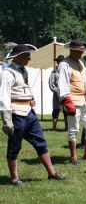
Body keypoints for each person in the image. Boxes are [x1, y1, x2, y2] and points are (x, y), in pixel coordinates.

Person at [0, 44, 65, 185]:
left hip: (29, 113)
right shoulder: (7, 73)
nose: (29, 58)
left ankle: (52, 173)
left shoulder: (23, 71)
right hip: (16, 114)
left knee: (41, 142)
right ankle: (14, 178)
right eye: (26, 55)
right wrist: (6, 120)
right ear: (17, 57)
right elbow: (3, 97)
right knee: (14, 146)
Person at [58, 40, 86, 165]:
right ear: (72, 50)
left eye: (82, 51)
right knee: (73, 129)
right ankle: (73, 156)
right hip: (73, 101)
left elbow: (85, 81)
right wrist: (67, 101)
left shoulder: (80, 63)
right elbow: (62, 85)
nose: (81, 53)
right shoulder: (64, 64)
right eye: (79, 51)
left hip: (85, 101)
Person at [49, 55, 67, 130]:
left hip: (66, 94)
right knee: (56, 111)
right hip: (57, 95)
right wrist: (58, 91)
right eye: (59, 61)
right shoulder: (54, 72)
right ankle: (54, 127)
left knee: (67, 111)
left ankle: (67, 127)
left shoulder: (66, 71)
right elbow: (51, 84)